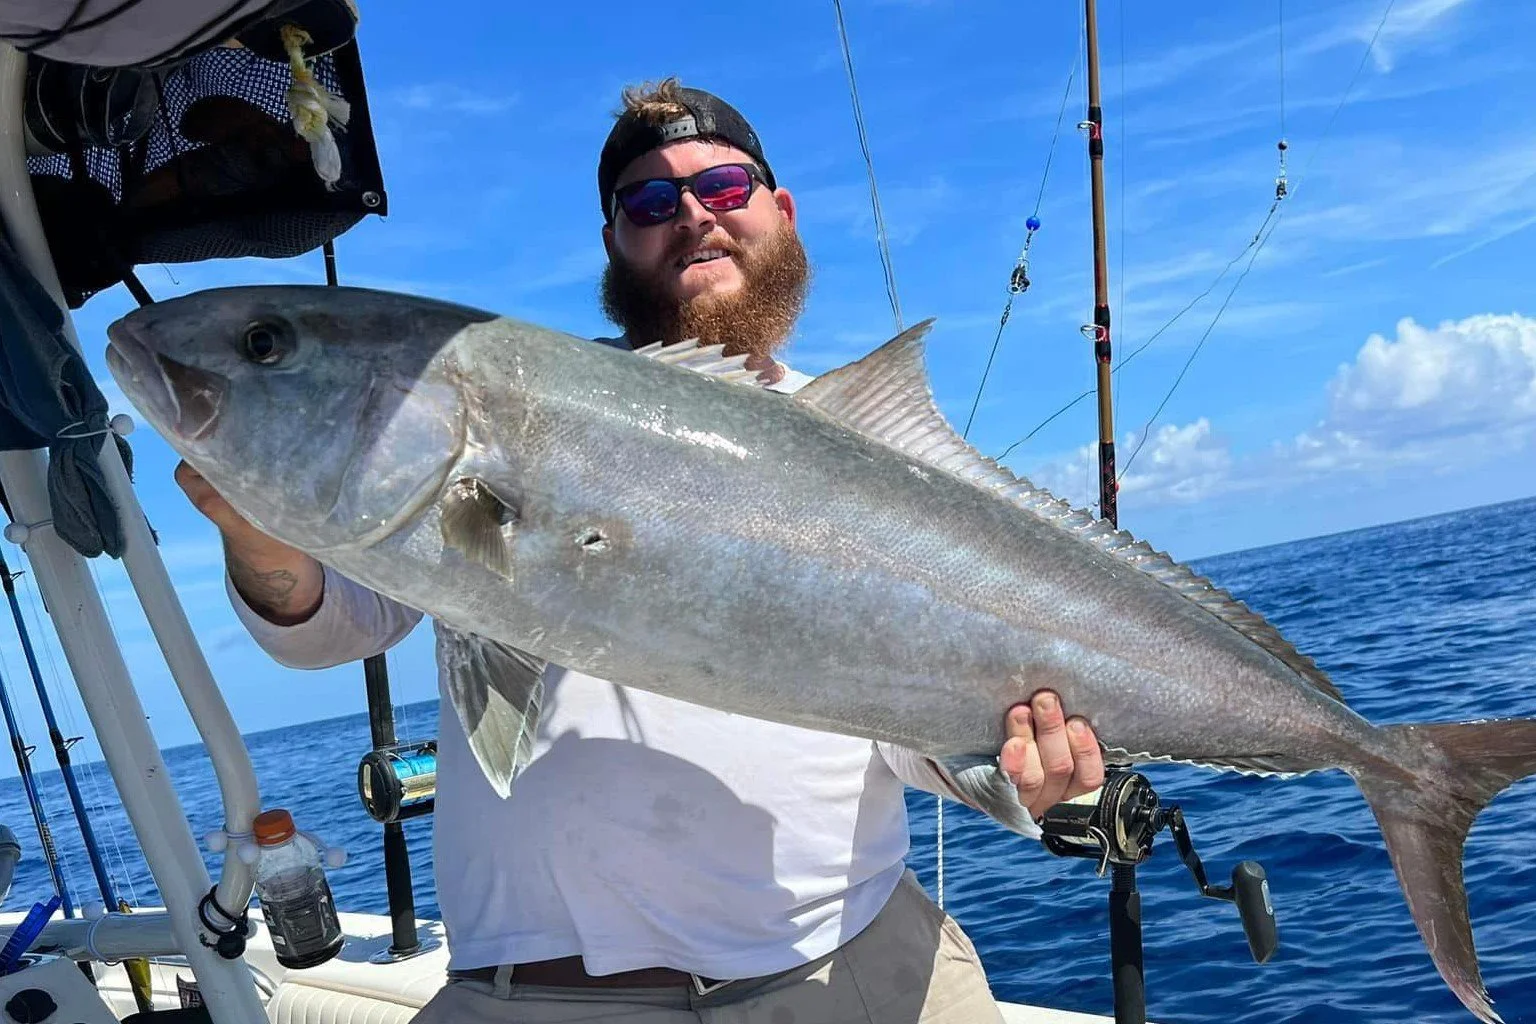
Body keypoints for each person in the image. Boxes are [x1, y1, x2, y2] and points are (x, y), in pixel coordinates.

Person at [177, 77, 1106, 1023]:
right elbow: (330, 624)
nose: (694, 217)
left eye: (726, 190)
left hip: (854, 970)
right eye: (651, 204)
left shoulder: (872, 448)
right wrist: (257, 534)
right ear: (616, 241)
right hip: (532, 998)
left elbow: (905, 739)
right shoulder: (512, 415)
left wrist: (1002, 757)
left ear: (781, 213)